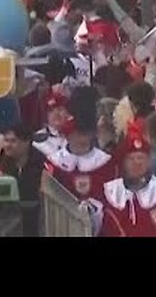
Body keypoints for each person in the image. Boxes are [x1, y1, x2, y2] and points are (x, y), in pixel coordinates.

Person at [42, 86, 116, 233]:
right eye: (77, 134)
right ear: (67, 136)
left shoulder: (107, 163)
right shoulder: (54, 163)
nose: (82, 138)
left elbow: (114, 201)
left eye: (85, 133)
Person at [97, 125, 156, 237]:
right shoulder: (109, 193)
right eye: (131, 159)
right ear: (123, 163)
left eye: (141, 158)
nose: (137, 163)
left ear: (149, 161)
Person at [0, 123, 47, 237]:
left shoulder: (40, 162)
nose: (8, 145)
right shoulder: (3, 161)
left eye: (13, 141)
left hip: (36, 218)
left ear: (26, 142)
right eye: (6, 140)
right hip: (10, 218)